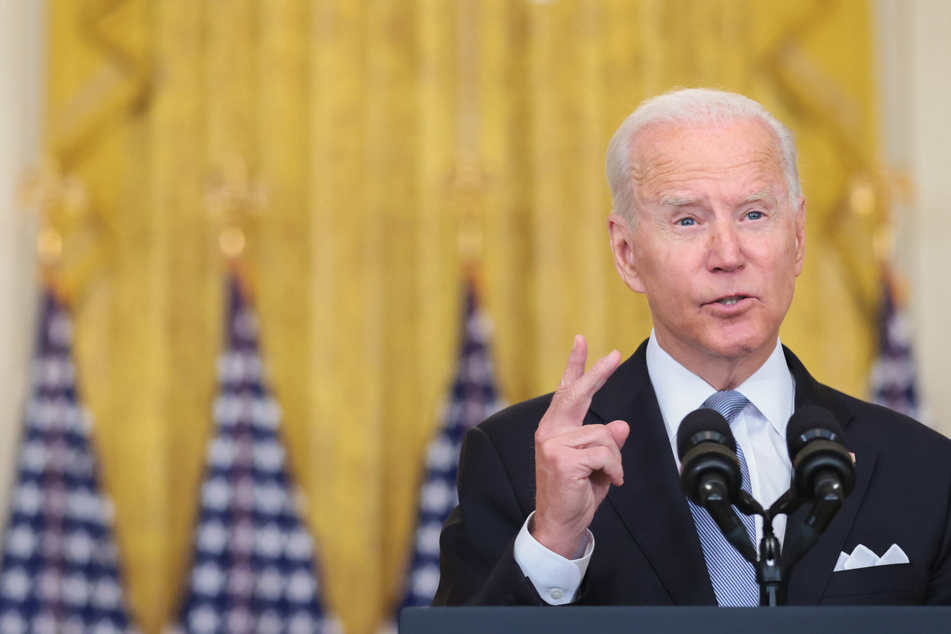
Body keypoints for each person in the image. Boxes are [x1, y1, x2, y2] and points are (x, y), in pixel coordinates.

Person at [432, 88, 951, 607]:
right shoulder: (521, 460)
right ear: (627, 252)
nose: (727, 254)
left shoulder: (920, 466)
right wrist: (553, 544)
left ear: (797, 235)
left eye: (753, 215)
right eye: (688, 221)